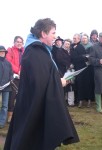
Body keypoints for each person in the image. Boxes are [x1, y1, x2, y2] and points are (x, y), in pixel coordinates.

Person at [4, 18, 79, 150]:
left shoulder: (40, 50)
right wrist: (59, 82)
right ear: (43, 34)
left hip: (37, 103)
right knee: (30, 139)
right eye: (53, 33)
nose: (55, 36)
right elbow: (40, 81)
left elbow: (44, 76)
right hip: (34, 105)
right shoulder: (34, 52)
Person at [6, 36, 24, 123]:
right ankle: (10, 115)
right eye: (17, 41)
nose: (19, 43)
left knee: (22, 96)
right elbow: (9, 62)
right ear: (14, 42)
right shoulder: (10, 50)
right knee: (12, 96)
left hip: (23, 76)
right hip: (13, 76)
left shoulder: (25, 51)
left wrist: (23, 71)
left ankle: (20, 114)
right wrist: (18, 70)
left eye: (21, 42)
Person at [0, 46, 13, 129]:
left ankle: (1, 123)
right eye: (1, 52)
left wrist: (11, 79)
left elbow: (11, 74)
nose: (2, 53)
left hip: (6, 87)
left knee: (5, 106)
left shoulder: (8, 63)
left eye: (3, 52)